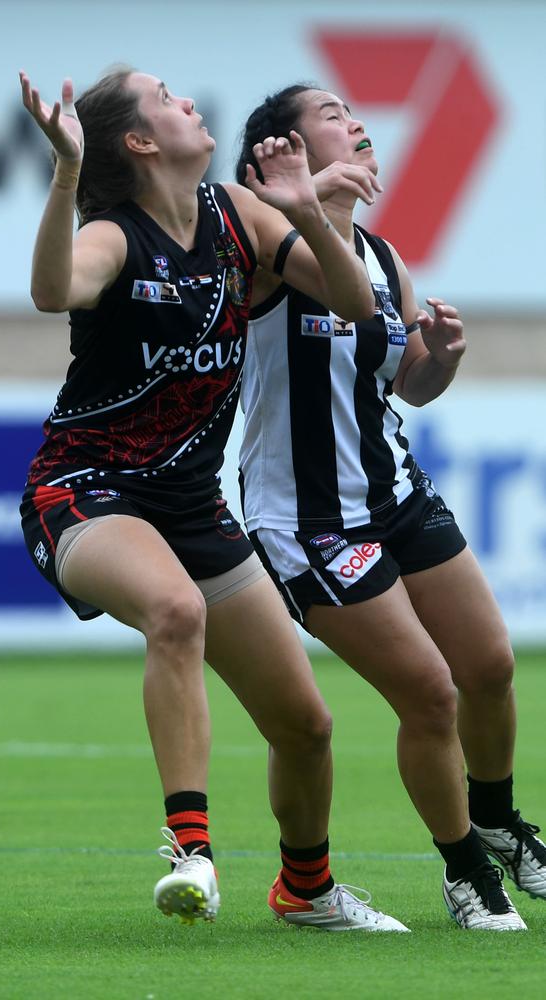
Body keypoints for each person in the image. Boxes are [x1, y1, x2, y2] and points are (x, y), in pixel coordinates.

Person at [17, 67, 409, 932]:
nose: (188, 100)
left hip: (192, 510)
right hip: (86, 491)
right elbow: (53, 291)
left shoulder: (236, 212)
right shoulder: (116, 236)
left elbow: (351, 301)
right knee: (174, 609)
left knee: (306, 725)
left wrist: (306, 206)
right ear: (141, 142)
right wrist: (65, 175)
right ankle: (191, 848)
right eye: (165, 97)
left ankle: (307, 891)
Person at [236, 84, 546, 931]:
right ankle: (464, 869)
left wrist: (440, 358)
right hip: (309, 520)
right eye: (331, 111)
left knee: (489, 667)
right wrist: (296, 203)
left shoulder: (381, 255)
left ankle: (498, 816)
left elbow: (410, 381)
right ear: (285, 148)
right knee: (432, 694)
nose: (354, 118)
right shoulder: (263, 242)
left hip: (398, 495)